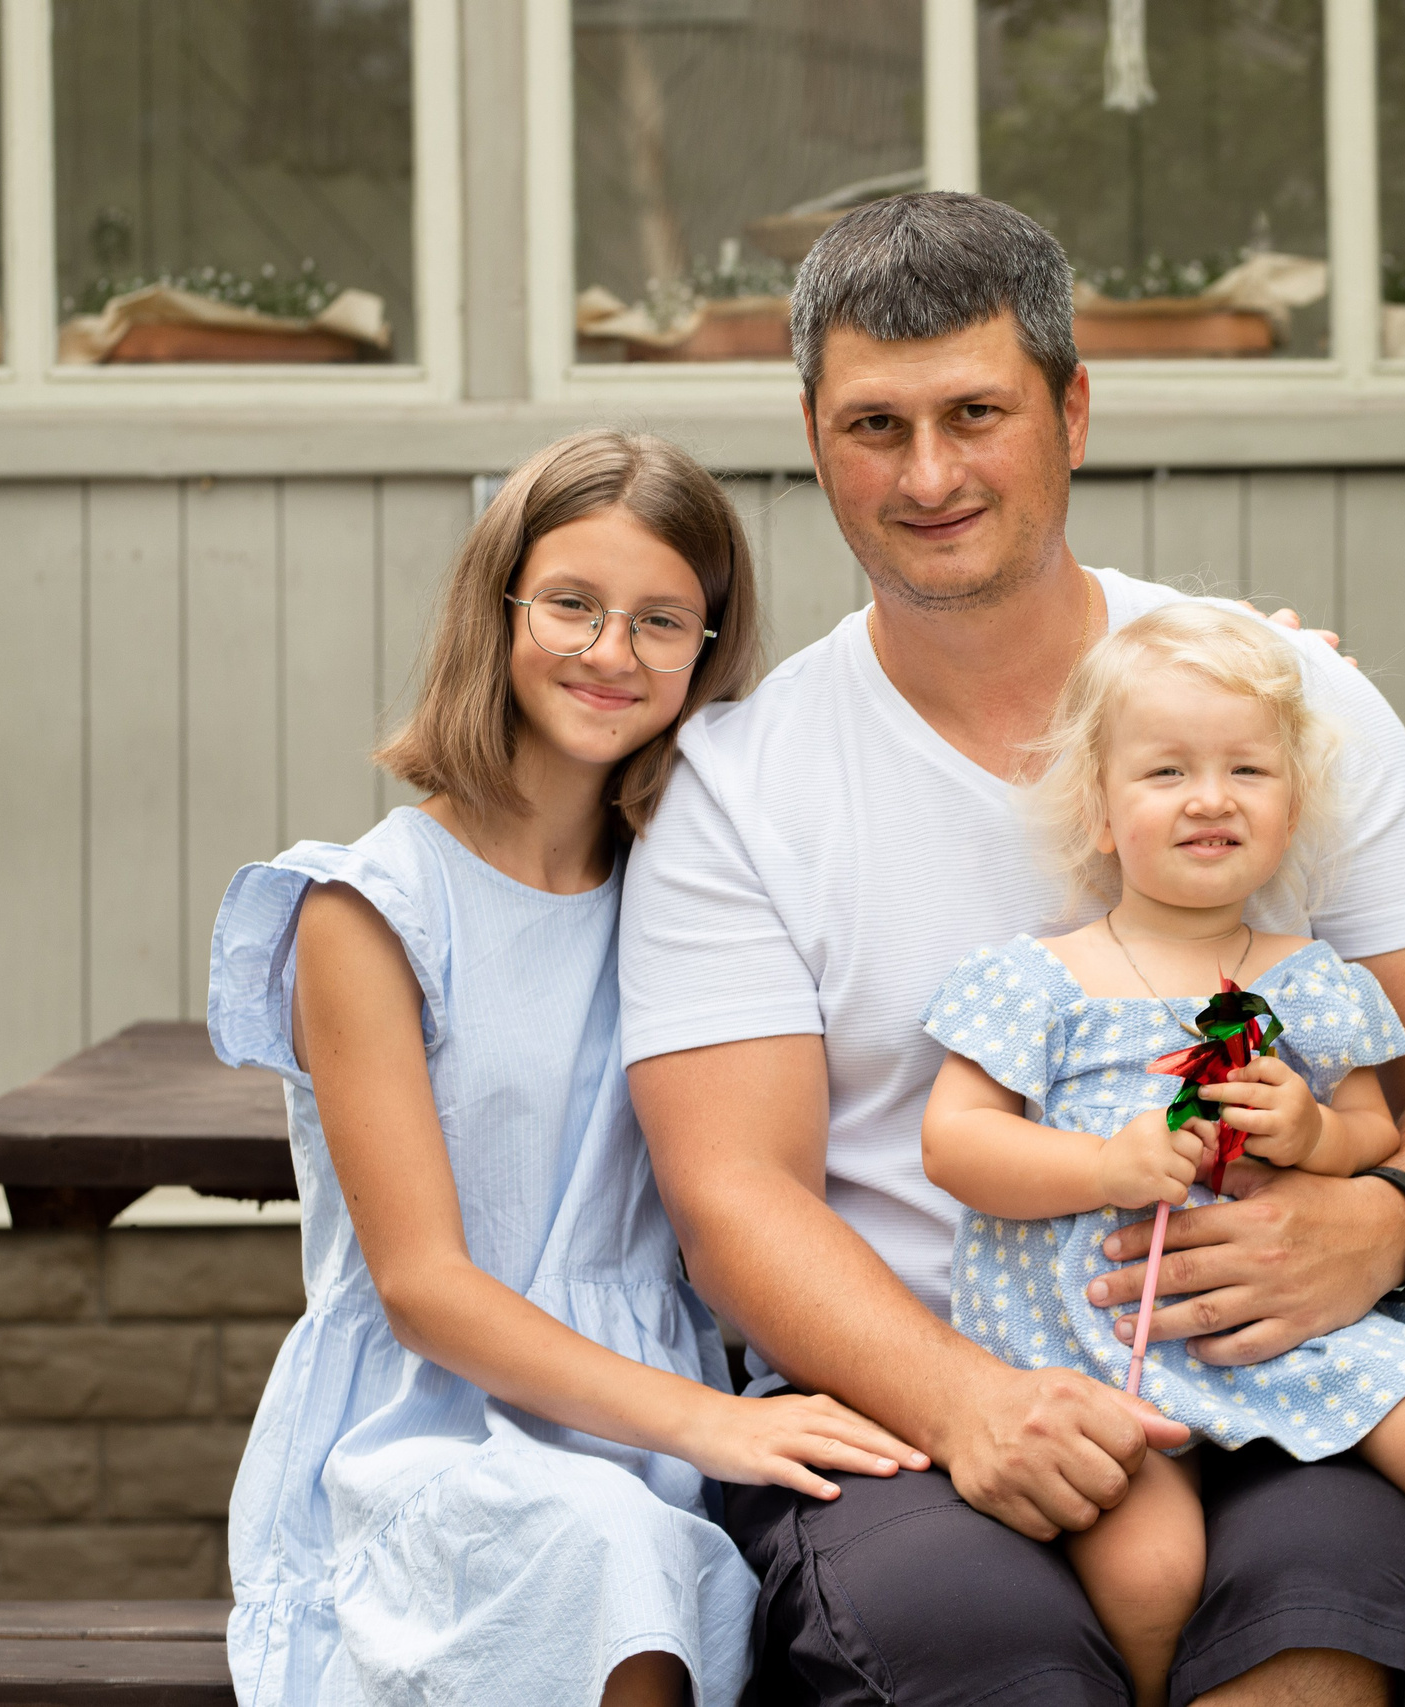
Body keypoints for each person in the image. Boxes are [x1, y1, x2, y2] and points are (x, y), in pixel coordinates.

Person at [622, 193, 1405, 1706]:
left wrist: (1391, 1221)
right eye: (875, 425)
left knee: (1307, 1634)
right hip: (907, 1397)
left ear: (1071, 409)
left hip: (1274, 1366)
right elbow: (733, 1193)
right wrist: (971, 1397)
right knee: (983, 1659)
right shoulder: (740, 781)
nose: (928, 474)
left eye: (976, 412)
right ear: (810, 433)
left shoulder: (1272, 704)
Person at [207, 429, 922, 1707]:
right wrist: (713, 1425)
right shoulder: (369, 908)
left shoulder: (700, 890)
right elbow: (423, 1287)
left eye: (661, 621)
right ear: (500, 610)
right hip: (437, 1428)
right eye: (573, 606)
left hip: (674, 1417)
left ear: (708, 651)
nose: (611, 653)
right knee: (611, 1553)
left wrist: (1232, 699)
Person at [923, 602, 1405, 1707]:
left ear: (1292, 803)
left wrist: (1310, 1133)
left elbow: (1377, 1133)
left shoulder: (1306, 980)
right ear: (1101, 811)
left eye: (1248, 768)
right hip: (1104, 1338)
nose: (1210, 797)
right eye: (1165, 773)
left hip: (1284, 1326)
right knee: (1153, 1570)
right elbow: (954, 1144)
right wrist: (1104, 1168)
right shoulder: (1040, 980)